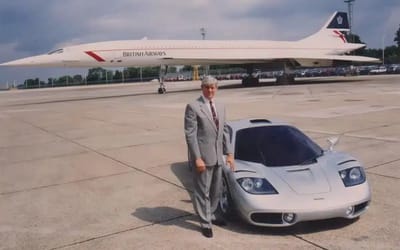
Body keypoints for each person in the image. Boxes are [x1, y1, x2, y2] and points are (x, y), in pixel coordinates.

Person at [184, 75, 235, 238]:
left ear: (216, 88)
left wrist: (230, 153)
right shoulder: (193, 106)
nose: (210, 90)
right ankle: (205, 222)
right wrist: (197, 158)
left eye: (213, 87)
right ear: (202, 88)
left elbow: (225, 131)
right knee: (202, 191)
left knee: (216, 190)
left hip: (218, 157)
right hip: (203, 158)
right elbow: (190, 135)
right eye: (207, 87)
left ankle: (211, 214)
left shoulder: (220, 106)